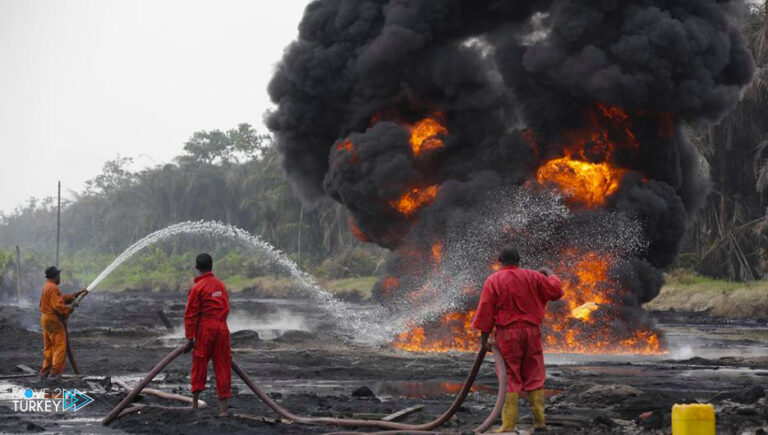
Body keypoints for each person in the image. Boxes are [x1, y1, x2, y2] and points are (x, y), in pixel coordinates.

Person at [472, 247, 564, 433]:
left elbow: (485, 311)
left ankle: (508, 426)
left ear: (500, 260)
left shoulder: (494, 280)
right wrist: (549, 273)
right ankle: (540, 423)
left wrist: (484, 341)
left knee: (510, 377)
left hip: (507, 335)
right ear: (519, 261)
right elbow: (556, 291)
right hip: (532, 333)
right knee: (534, 374)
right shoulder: (534, 276)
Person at [183, 253, 231, 417]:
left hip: (206, 330)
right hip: (222, 329)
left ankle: (195, 405)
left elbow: (190, 314)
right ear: (212, 266)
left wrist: (190, 339)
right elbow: (226, 307)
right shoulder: (220, 285)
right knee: (223, 366)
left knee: (199, 364)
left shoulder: (197, 288)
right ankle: (223, 409)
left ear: (196, 268)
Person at [38, 266, 87, 382]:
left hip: (45, 319)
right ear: (55, 276)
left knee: (49, 346)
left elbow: (58, 299)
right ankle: (55, 373)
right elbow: (58, 306)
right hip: (53, 320)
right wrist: (69, 309)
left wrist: (73, 296)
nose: (60, 277)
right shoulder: (53, 288)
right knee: (60, 346)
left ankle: (45, 371)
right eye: (59, 275)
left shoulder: (46, 287)